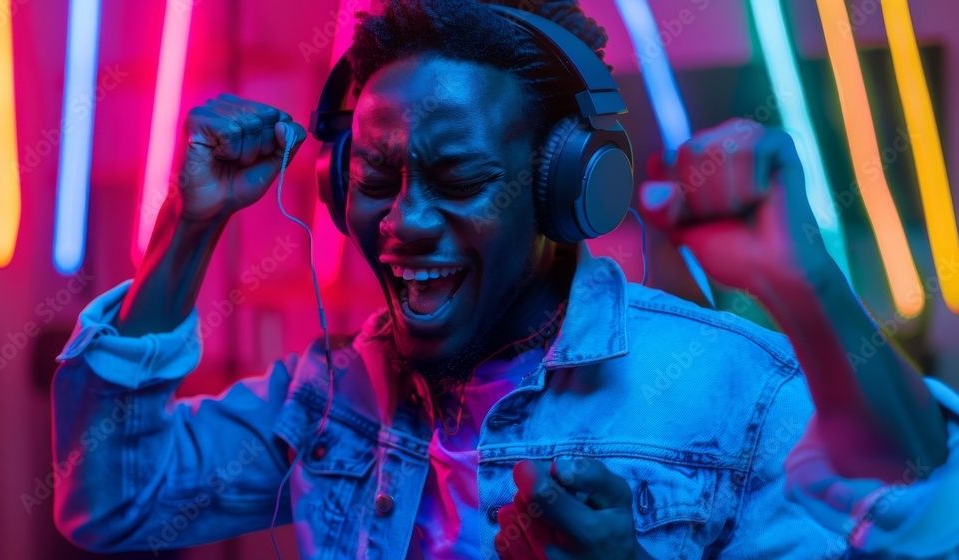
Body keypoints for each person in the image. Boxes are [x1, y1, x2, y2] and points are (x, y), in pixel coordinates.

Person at [50, 0, 958, 558]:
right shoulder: (329, 399)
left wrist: (814, 291)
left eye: (458, 181)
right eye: (372, 177)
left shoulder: (738, 393)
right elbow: (111, 500)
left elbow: (930, 525)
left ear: (570, 190)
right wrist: (186, 226)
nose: (402, 221)